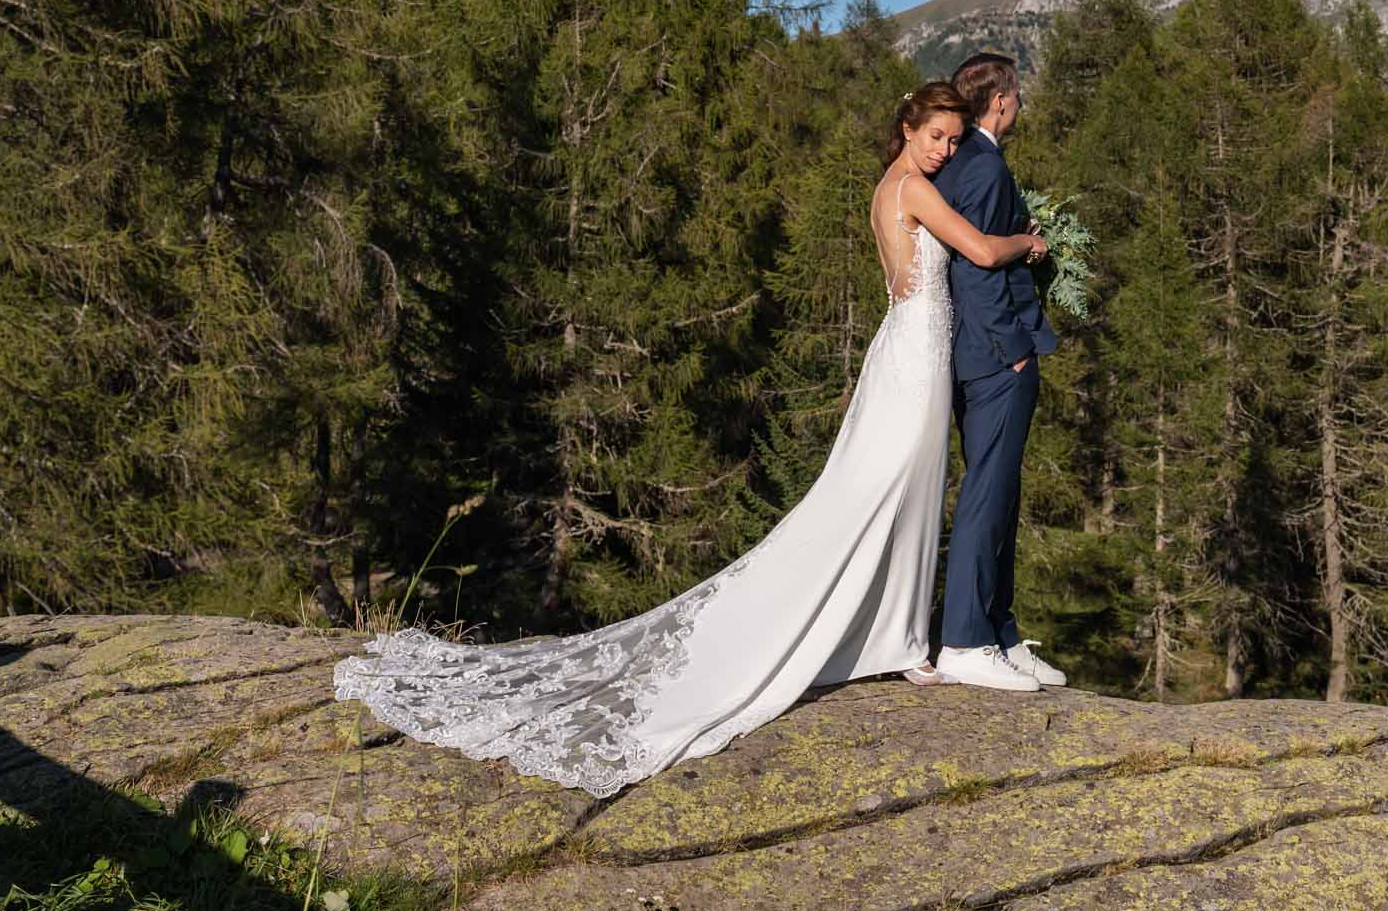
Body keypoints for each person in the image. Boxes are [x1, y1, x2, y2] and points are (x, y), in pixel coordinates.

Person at [330, 79, 1047, 797]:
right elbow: (982, 252)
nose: (945, 150)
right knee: (884, 490)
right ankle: (886, 635)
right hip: (917, 351)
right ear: (908, 126)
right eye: (936, 137)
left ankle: (898, 638)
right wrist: (1032, 240)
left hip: (909, 345)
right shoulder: (914, 189)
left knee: (900, 490)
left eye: (954, 140)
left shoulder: (888, 185)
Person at [929, 52, 1065, 692]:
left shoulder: (965, 164)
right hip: (993, 360)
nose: (1020, 102)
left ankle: (1000, 634)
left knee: (1001, 493)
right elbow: (973, 271)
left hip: (982, 356)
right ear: (1003, 99)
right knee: (987, 493)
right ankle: (964, 640)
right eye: (1018, 92)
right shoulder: (983, 166)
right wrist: (1013, 346)